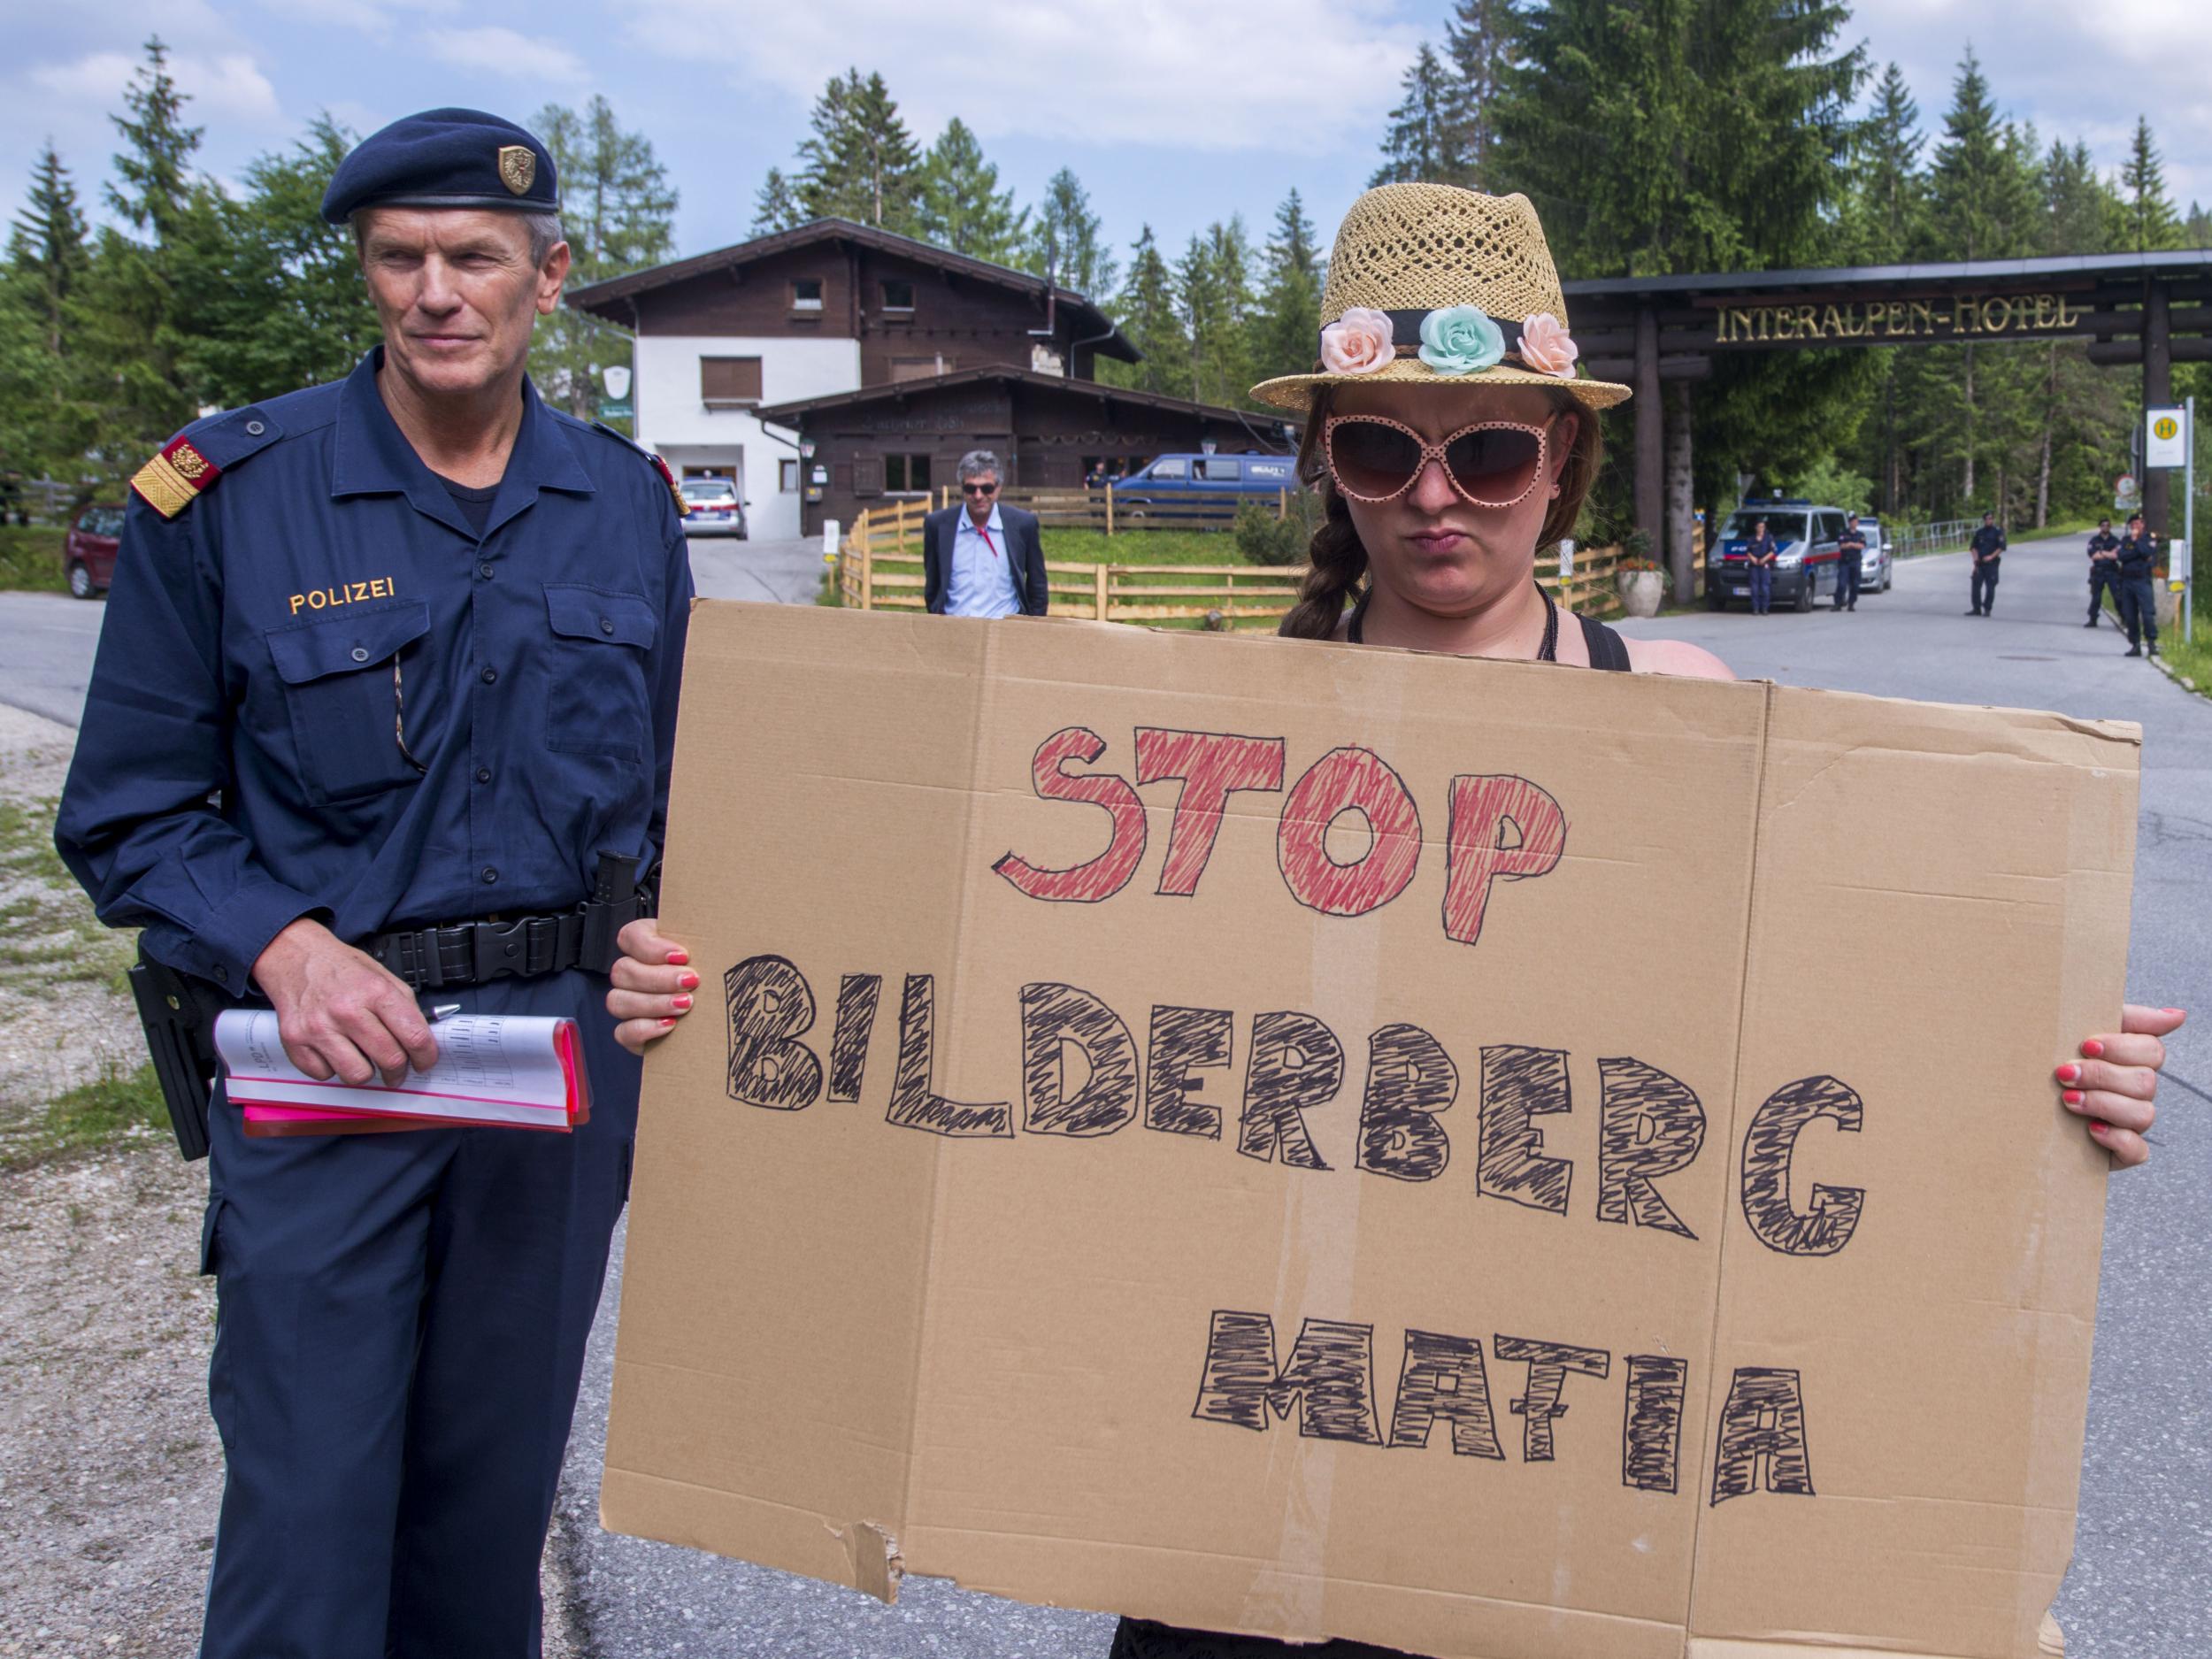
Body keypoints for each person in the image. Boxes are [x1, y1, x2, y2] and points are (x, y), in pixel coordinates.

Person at [606, 183, 2185, 1659]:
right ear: (1327, 464)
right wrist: (723, 991)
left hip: (1540, 1502)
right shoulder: (1192, 734)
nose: (1437, 500)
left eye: (1488, 455)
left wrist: (2050, 1093)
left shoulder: (1702, 723)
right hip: (1216, 1505)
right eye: (1381, 452)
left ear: (1562, 461)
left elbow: (1870, 1050)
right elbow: (962, 1023)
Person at [52, 109, 693, 1659]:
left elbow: (687, 796)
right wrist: (283, 947)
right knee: (310, 1519)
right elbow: (128, 814)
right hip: (329, 1062)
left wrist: (669, 939)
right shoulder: (229, 497)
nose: (437, 293)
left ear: (548, 275)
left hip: (550, 1073)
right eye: (400, 259)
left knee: (487, 1521)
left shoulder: (623, 503)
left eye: (475, 257)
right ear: (367, 276)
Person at [921, 448, 1048, 617]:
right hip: (954, 630)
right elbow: (933, 586)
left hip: (1005, 631)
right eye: (971, 488)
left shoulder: (1023, 525)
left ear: (998, 488)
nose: (978, 495)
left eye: (986, 488)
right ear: (962, 488)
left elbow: (1037, 586)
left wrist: (1031, 630)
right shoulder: (937, 525)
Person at [2115, 511, 2160, 657]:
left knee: (2147, 613)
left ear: (2143, 525)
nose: (2135, 526)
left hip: (2142, 581)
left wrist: (2136, 544)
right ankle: (2135, 645)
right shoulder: (2125, 540)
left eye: (2138, 523)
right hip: (2127, 581)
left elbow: (2147, 552)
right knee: (2130, 615)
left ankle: (2152, 643)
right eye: (2133, 524)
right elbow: (2121, 556)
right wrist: (2136, 550)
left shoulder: (2149, 539)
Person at [2085, 518, 2122, 626]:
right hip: (2098, 571)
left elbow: (2117, 555)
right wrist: (2108, 553)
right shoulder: (2094, 540)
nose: (2105, 527)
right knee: (2096, 597)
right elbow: (2093, 556)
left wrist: (2101, 552)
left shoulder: (2115, 540)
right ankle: (2093, 619)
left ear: (2110, 527)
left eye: (2107, 525)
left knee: (2118, 596)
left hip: (2112, 571)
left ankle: (2123, 617)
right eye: (2103, 525)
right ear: (2100, 527)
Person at [1968, 510, 2006, 615]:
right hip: (1980, 563)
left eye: (1991, 518)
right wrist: (1975, 560)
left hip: (1992, 564)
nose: (1989, 520)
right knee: (1975, 586)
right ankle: (1976, 608)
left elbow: (2001, 547)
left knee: (1990, 587)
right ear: (1984, 520)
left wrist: (1991, 556)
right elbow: (1973, 547)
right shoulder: (1979, 532)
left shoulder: (1998, 532)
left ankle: (1987, 608)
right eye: (1987, 519)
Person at [1833, 512, 1867, 611]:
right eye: (1853, 521)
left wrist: (1851, 544)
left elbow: (1862, 546)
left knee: (1855, 585)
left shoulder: (1861, 534)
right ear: (1849, 522)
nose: (1854, 523)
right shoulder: (1843, 533)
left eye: (1856, 521)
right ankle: (1838, 603)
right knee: (1842, 584)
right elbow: (1841, 546)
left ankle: (1851, 604)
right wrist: (1852, 544)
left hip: (1856, 562)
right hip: (1845, 562)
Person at [1745, 517, 1777, 614]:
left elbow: (1773, 551)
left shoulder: (1769, 538)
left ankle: (1765, 608)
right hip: (1754, 565)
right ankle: (1755, 608)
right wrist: (1752, 558)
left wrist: (1765, 559)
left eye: (1763, 527)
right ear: (1756, 528)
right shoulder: (1751, 539)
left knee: (1765, 588)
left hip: (1765, 564)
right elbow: (1748, 551)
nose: (1761, 529)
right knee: (1754, 588)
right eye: (1759, 527)